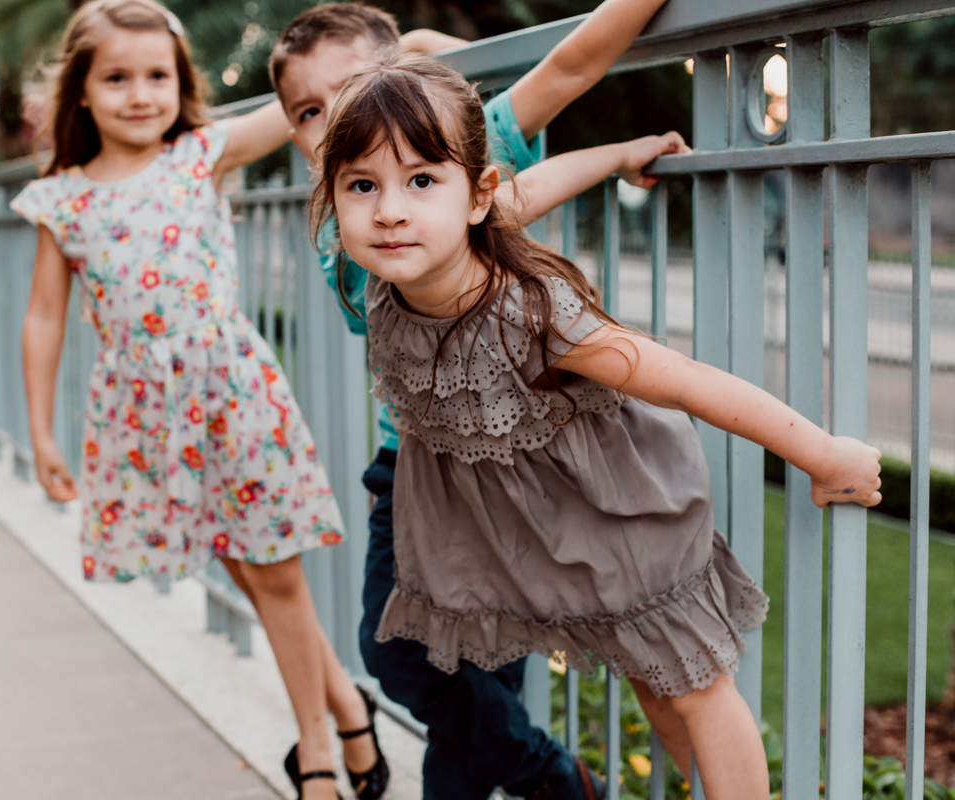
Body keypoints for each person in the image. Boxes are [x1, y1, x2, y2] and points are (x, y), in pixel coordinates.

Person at [311, 53, 885, 800]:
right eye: (362, 185)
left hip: (620, 513)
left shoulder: (532, 313)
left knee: (689, 687)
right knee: (657, 696)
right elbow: (535, 186)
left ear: (479, 197)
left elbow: (683, 379)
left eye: (421, 179)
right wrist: (615, 156)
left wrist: (820, 451)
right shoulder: (376, 275)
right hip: (523, 532)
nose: (389, 209)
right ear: (334, 199)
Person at [269, 3, 683, 798]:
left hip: (508, 473)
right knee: (395, 651)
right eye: (308, 113)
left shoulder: (455, 154)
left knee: (480, 664)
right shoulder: (348, 216)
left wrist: (617, 145)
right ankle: (558, 779)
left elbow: (566, 69)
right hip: (415, 469)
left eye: (354, 89)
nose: (332, 123)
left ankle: (554, 782)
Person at [11, 3, 386, 798]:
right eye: (117, 77)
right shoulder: (61, 199)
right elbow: (44, 318)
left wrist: (409, 50)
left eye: (158, 76)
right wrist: (41, 433)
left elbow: (316, 101)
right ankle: (350, 706)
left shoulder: (202, 153)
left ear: (182, 86)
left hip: (228, 392)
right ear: (81, 91)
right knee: (248, 572)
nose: (140, 94)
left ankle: (316, 753)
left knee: (275, 575)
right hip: (145, 417)